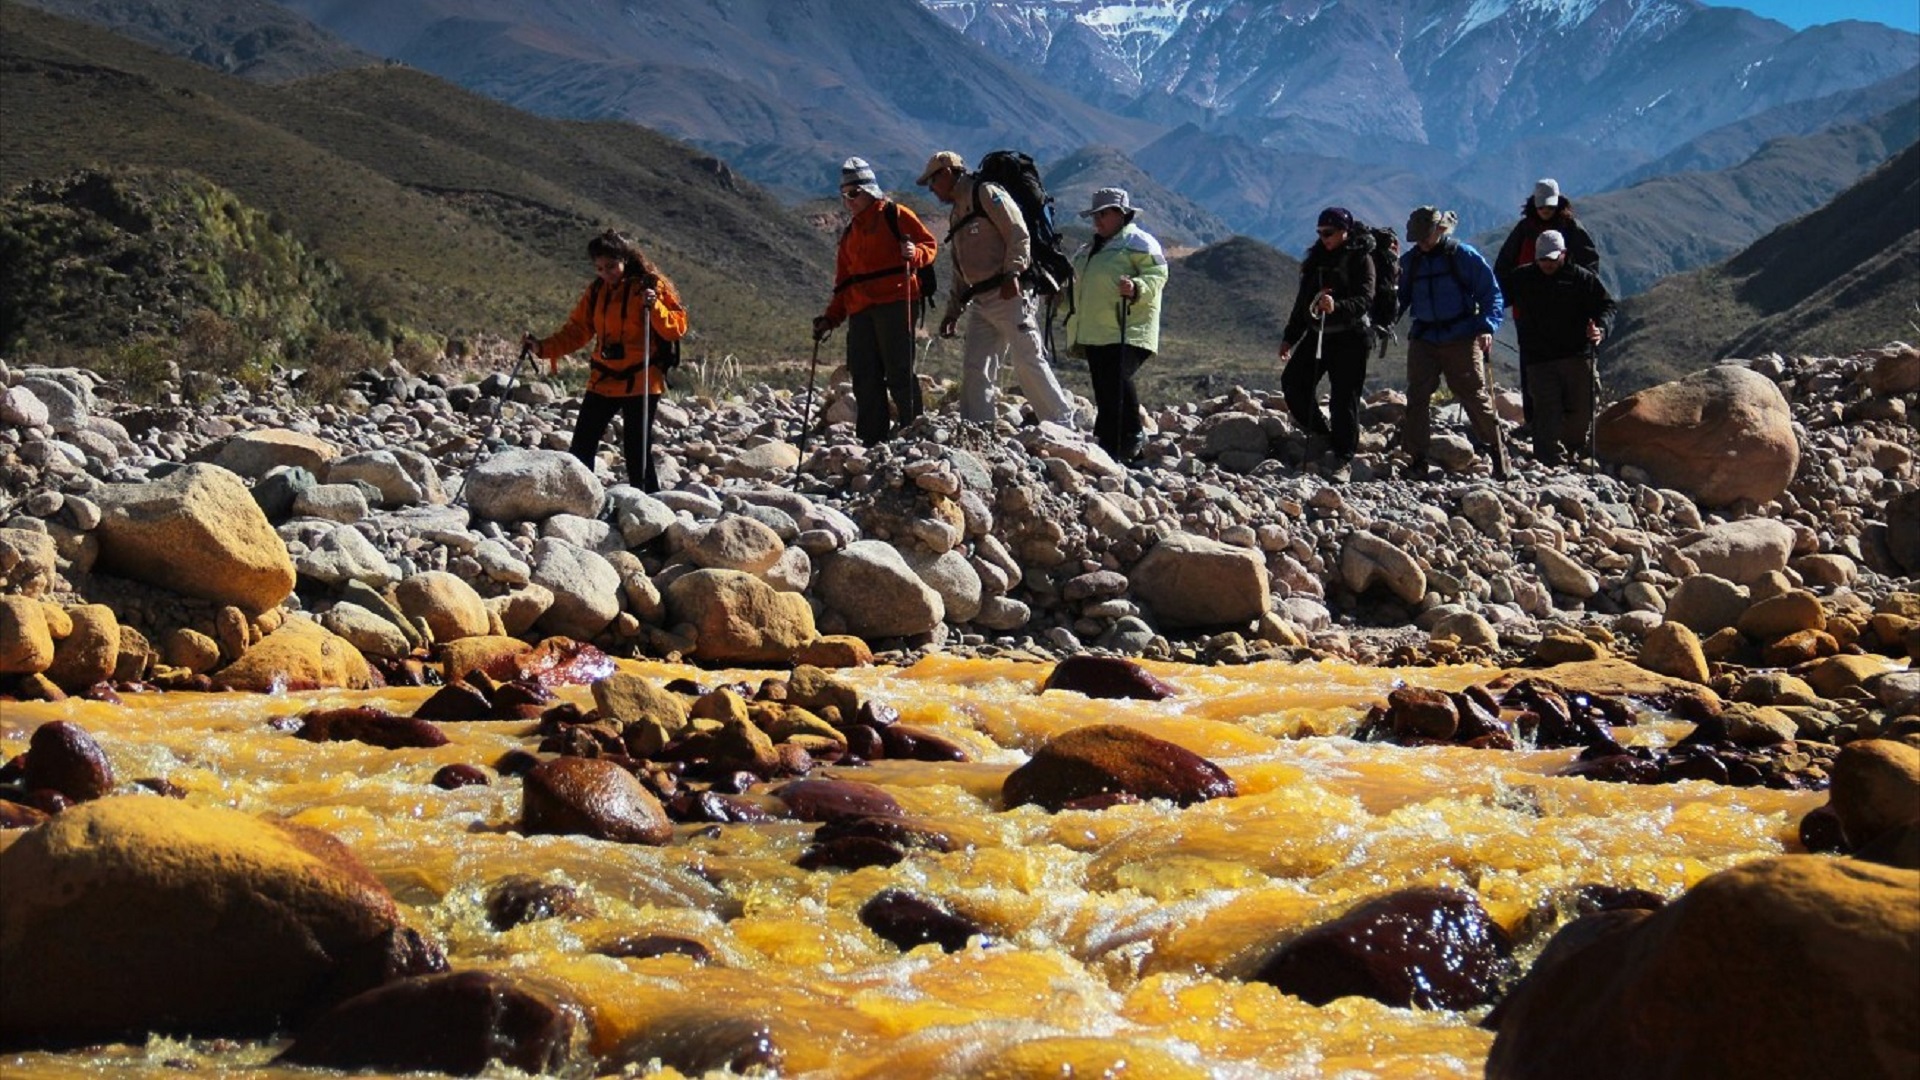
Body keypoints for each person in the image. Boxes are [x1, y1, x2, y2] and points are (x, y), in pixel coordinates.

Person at [917, 150, 1076, 427]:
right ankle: (977, 427)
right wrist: (953, 310)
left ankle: (1063, 425)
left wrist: (1013, 272)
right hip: (981, 299)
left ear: (946, 172)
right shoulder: (957, 212)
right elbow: (960, 268)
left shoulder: (986, 193)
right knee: (976, 366)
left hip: (1010, 292)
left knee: (1027, 358)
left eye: (932, 181)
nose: (932, 189)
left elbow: (1018, 232)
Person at [525, 228, 687, 493]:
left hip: (642, 379)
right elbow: (577, 331)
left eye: (611, 267)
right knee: (581, 447)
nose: (605, 273)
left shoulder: (650, 285)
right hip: (604, 378)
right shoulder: (597, 291)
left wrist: (654, 305)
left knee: (638, 452)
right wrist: (542, 347)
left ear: (624, 260)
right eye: (599, 268)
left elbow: (675, 328)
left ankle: (650, 513)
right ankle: (580, 500)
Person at [813, 156, 938, 446]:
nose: (849, 200)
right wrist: (830, 318)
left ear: (869, 190)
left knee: (899, 370)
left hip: (896, 300)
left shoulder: (896, 214)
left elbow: (928, 245)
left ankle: (913, 433)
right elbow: (844, 284)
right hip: (860, 310)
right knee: (864, 375)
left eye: (854, 193)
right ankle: (872, 439)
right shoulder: (850, 234)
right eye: (844, 195)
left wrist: (915, 255)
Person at [1398, 205, 1509, 480]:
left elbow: (1491, 295)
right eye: (1418, 239)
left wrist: (1487, 327)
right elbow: (1400, 298)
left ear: (1440, 230)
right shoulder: (1411, 262)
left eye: (1425, 237)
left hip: (1461, 335)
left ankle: (1498, 453)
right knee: (1417, 396)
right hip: (1424, 336)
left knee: (1472, 393)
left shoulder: (1463, 256)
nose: (1421, 243)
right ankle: (1417, 459)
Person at [1064, 187, 1167, 463]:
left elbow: (1158, 273)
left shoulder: (1140, 243)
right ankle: (1110, 443)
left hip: (1128, 326)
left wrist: (1137, 287)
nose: (1097, 221)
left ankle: (1132, 434)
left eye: (1104, 214)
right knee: (1104, 385)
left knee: (1118, 379)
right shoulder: (1087, 250)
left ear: (1121, 214)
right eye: (1095, 215)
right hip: (1096, 331)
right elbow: (1079, 288)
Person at [1502, 229, 1616, 467]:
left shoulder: (1582, 279)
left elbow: (1606, 306)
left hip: (1577, 354)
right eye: (1543, 259)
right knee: (1546, 409)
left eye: (1553, 259)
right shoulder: (1522, 278)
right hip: (1538, 358)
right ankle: (1549, 461)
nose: (1548, 264)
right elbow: (1496, 298)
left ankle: (1572, 450)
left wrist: (1601, 330)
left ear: (1563, 254)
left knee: (1581, 409)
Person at [1277, 207, 1376, 473]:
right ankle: (1322, 432)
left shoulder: (1361, 259)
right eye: (1320, 233)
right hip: (1318, 333)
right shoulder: (1316, 261)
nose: (1324, 238)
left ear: (1345, 231)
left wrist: (1337, 306)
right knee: (1293, 382)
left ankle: (1344, 456)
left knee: (1344, 397)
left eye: (1329, 233)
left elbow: (1366, 298)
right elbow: (1302, 303)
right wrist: (1290, 337)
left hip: (1351, 338)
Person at [1492, 178, 1600, 296]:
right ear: (1535, 204)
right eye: (1541, 206)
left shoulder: (1570, 228)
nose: (1545, 210)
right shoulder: (1525, 228)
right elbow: (1505, 262)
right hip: (1528, 297)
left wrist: (1586, 293)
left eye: (1550, 206)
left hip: (1565, 298)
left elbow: (1589, 263)